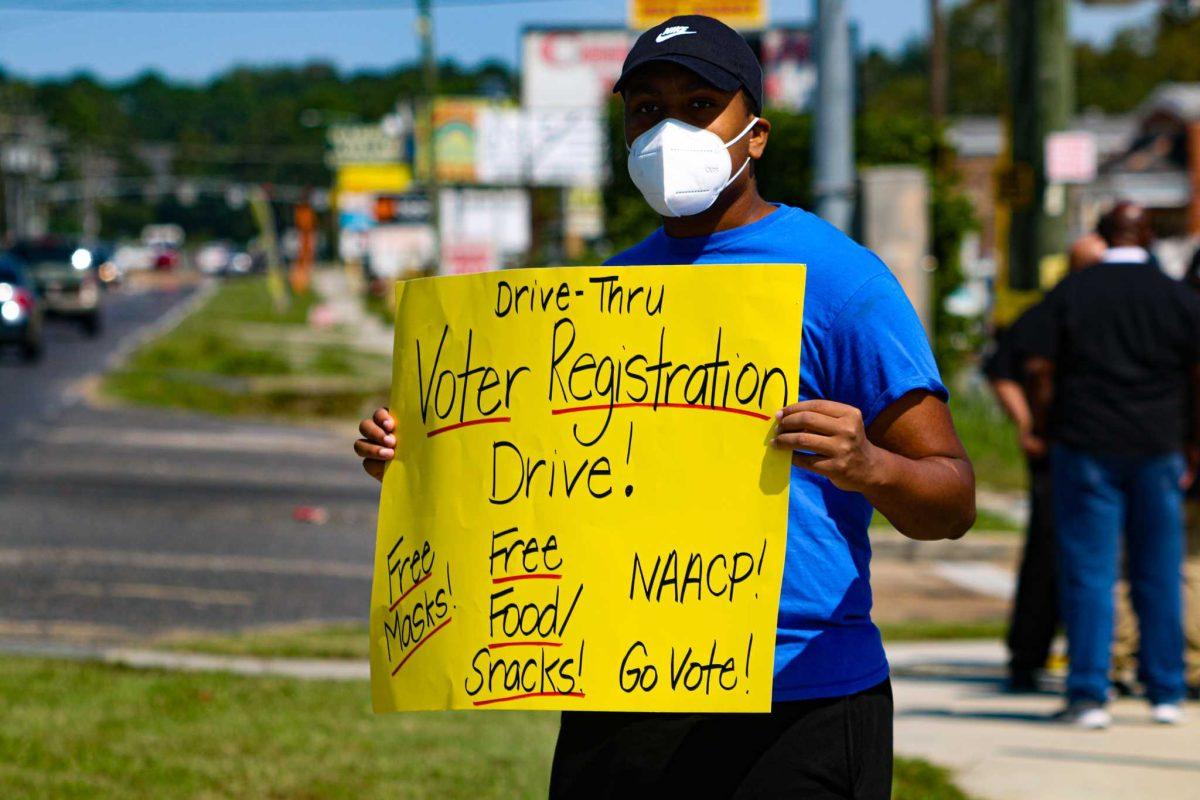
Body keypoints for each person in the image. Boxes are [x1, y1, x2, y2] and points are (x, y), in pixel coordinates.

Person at [357, 16, 975, 797]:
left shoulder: (841, 281)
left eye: (699, 103)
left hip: (798, 703)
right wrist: (428, 464)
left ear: (754, 135)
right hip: (617, 688)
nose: (668, 127)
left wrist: (872, 465)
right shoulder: (601, 294)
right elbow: (555, 485)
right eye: (647, 108)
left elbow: (951, 498)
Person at [1024, 201, 1200, 729]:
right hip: (1158, 445)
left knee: (1090, 574)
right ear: (1148, 236)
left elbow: (1036, 363)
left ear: (1100, 236)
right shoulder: (1177, 297)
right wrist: (1193, 441)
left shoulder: (1074, 292)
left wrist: (1042, 422)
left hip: (1085, 444)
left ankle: (1089, 694)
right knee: (1159, 572)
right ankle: (1165, 691)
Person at [984, 232, 1106, 692]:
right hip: (1061, 450)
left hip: (1085, 447)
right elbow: (1006, 370)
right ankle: (1031, 653)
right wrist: (1028, 425)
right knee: (1049, 555)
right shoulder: (1056, 309)